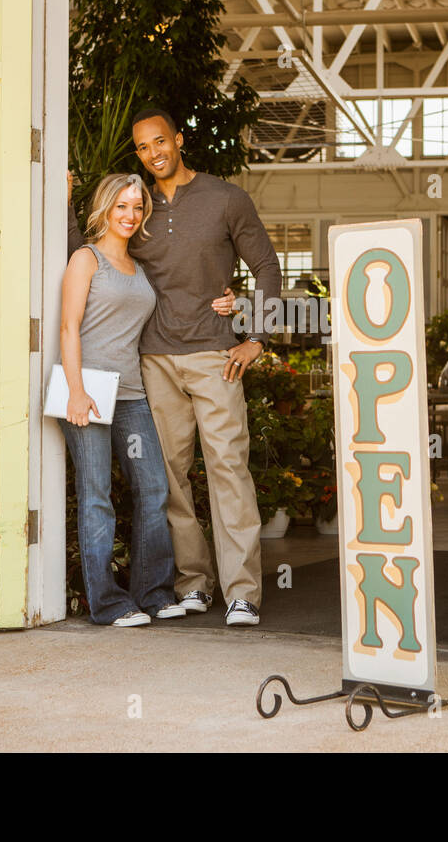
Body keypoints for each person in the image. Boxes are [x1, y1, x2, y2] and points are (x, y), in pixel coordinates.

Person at [128, 107, 283, 627]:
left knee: (227, 469)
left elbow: (266, 265)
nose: (154, 153)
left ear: (179, 139)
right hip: (156, 358)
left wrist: (256, 336)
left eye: (160, 141)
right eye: (144, 148)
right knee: (171, 475)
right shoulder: (137, 207)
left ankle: (242, 591)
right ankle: (193, 583)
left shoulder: (226, 199)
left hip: (216, 355)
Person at [59, 173, 234, 626]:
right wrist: (76, 391)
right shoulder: (86, 258)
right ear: (105, 208)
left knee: (154, 489)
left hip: (131, 392)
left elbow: (188, 280)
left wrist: (229, 301)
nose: (131, 215)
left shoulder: (139, 266)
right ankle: (109, 604)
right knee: (97, 496)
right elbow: (68, 327)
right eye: (122, 206)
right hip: (90, 391)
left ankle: (153, 594)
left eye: (137, 207)